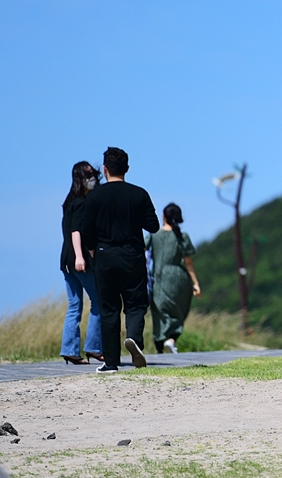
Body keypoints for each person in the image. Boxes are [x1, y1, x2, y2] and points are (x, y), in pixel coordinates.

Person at [82, 147, 160, 373]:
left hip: (104, 255)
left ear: (105, 169)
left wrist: (94, 252)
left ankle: (111, 362)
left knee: (109, 309)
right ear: (127, 169)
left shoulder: (94, 196)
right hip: (132, 255)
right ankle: (134, 338)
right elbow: (153, 226)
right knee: (135, 304)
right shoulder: (139, 194)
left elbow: (87, 229)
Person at [59, 161, 104, 365]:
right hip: (79, 259)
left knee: (75, 305)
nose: (93, 179)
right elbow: (76, 231)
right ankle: (94, 347)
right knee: (98, 301)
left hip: (66, 259)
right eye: (89, 176)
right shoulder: (81, 203)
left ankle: (70, 350)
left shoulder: (69, 202)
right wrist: (80, 256)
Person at [147, 203, 201, 354]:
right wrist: (195, 283)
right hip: (179, 278)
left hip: (158, 277)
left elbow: (142, 250)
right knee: (178, 311)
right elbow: (188, 262)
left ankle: (160, 344)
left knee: (159, 312)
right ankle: (171, 340)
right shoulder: (182, 236)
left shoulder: (154, 235)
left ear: (163, 216)